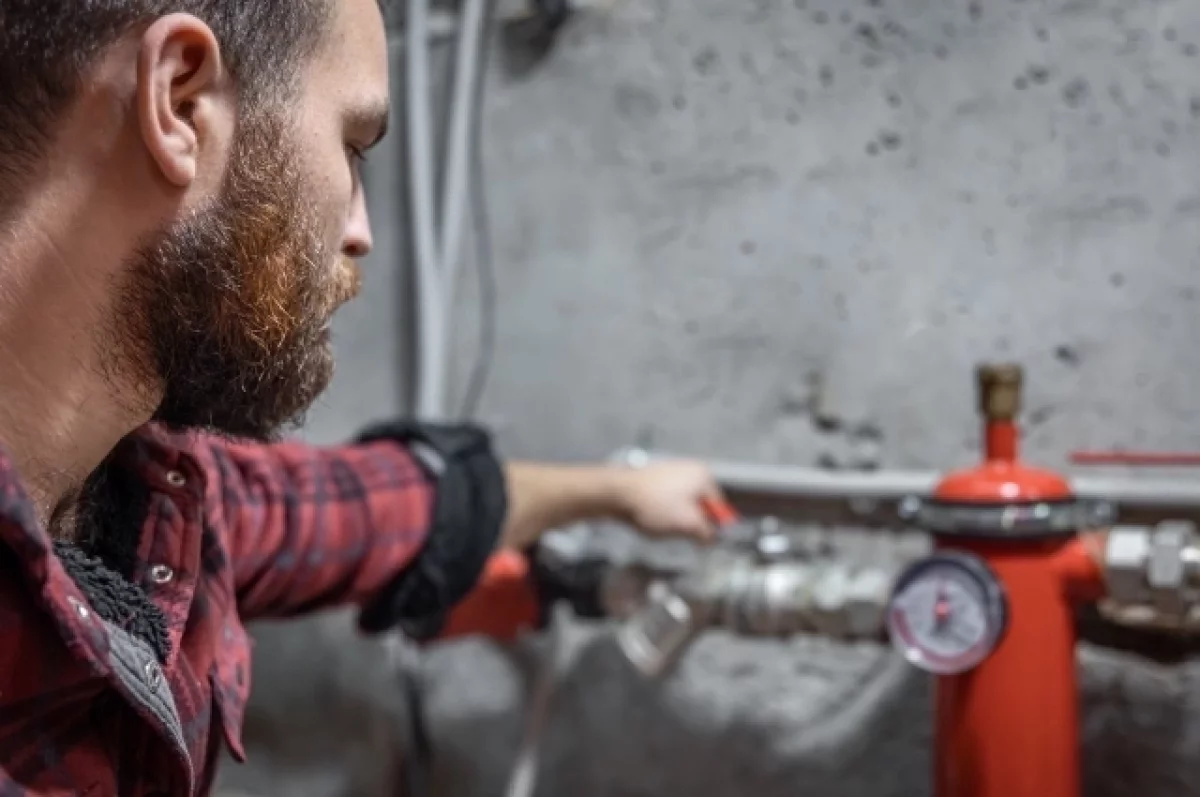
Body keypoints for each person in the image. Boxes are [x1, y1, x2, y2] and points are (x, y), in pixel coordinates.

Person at [0, 0, 726, 794]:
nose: (359, 231)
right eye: (352, 145)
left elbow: (351, 511)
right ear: (181, 101)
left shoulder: (140, 491)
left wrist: (614, 492)